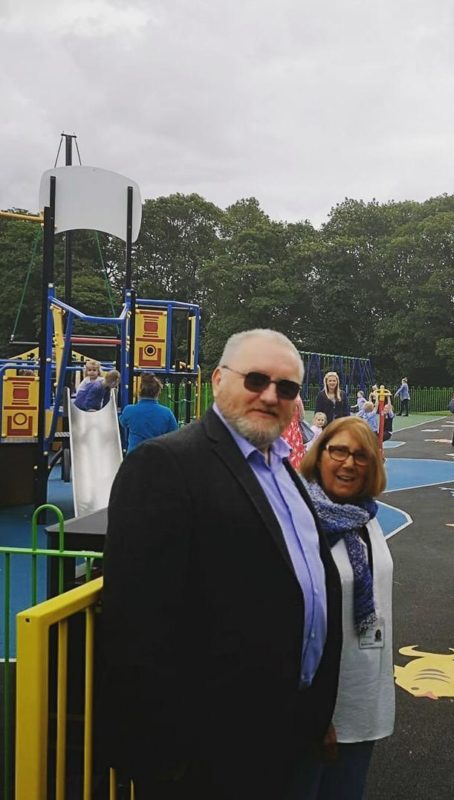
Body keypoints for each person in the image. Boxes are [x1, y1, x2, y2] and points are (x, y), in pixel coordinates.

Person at [98, 329, 343, 800]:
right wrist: (164, 759)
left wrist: (314, 713)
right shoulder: (166, 465)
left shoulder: (285, 470)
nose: (271, 396)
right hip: (207, 754)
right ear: (217, 380)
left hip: (287, 734)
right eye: (255, 379)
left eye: (287, 388)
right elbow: (135, 626)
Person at [289, 417, 395, 799]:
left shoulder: (364, 516)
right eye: (338, 451)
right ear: (319, 455)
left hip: (362, 697)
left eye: (361, 456)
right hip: (318, 709)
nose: (349, 463)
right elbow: (292, 625)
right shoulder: (300, 524)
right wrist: (314, 715)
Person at [118, 373, 179, 453]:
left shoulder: (129, 410)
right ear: (158, 392)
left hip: (134, 457)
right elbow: (175, 434)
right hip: (156, 456)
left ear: (140, 391)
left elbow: (122, 422)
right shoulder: (166, 413)